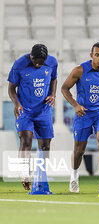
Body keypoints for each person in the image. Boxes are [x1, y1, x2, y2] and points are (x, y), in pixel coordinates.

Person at [61, 42, 99, 193]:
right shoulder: (79, 70)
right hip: (84, 114)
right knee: (79, 149)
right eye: (97, 55)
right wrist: (75, 105)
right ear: (91, 55)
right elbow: (64, 88)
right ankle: (74, 177)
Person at [7, 44, 58, 190]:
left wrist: (53, 94)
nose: (37, 64)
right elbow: (11, 88)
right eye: (35, 60)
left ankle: (41, 175)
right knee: (26, 140)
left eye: (40, 62)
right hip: (25, 109)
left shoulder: (52, 62)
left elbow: (54, 78)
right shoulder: (19, 65)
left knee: (45, 145)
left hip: (44, 110)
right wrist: (16, 103)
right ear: (31, 55)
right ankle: (24, 174)